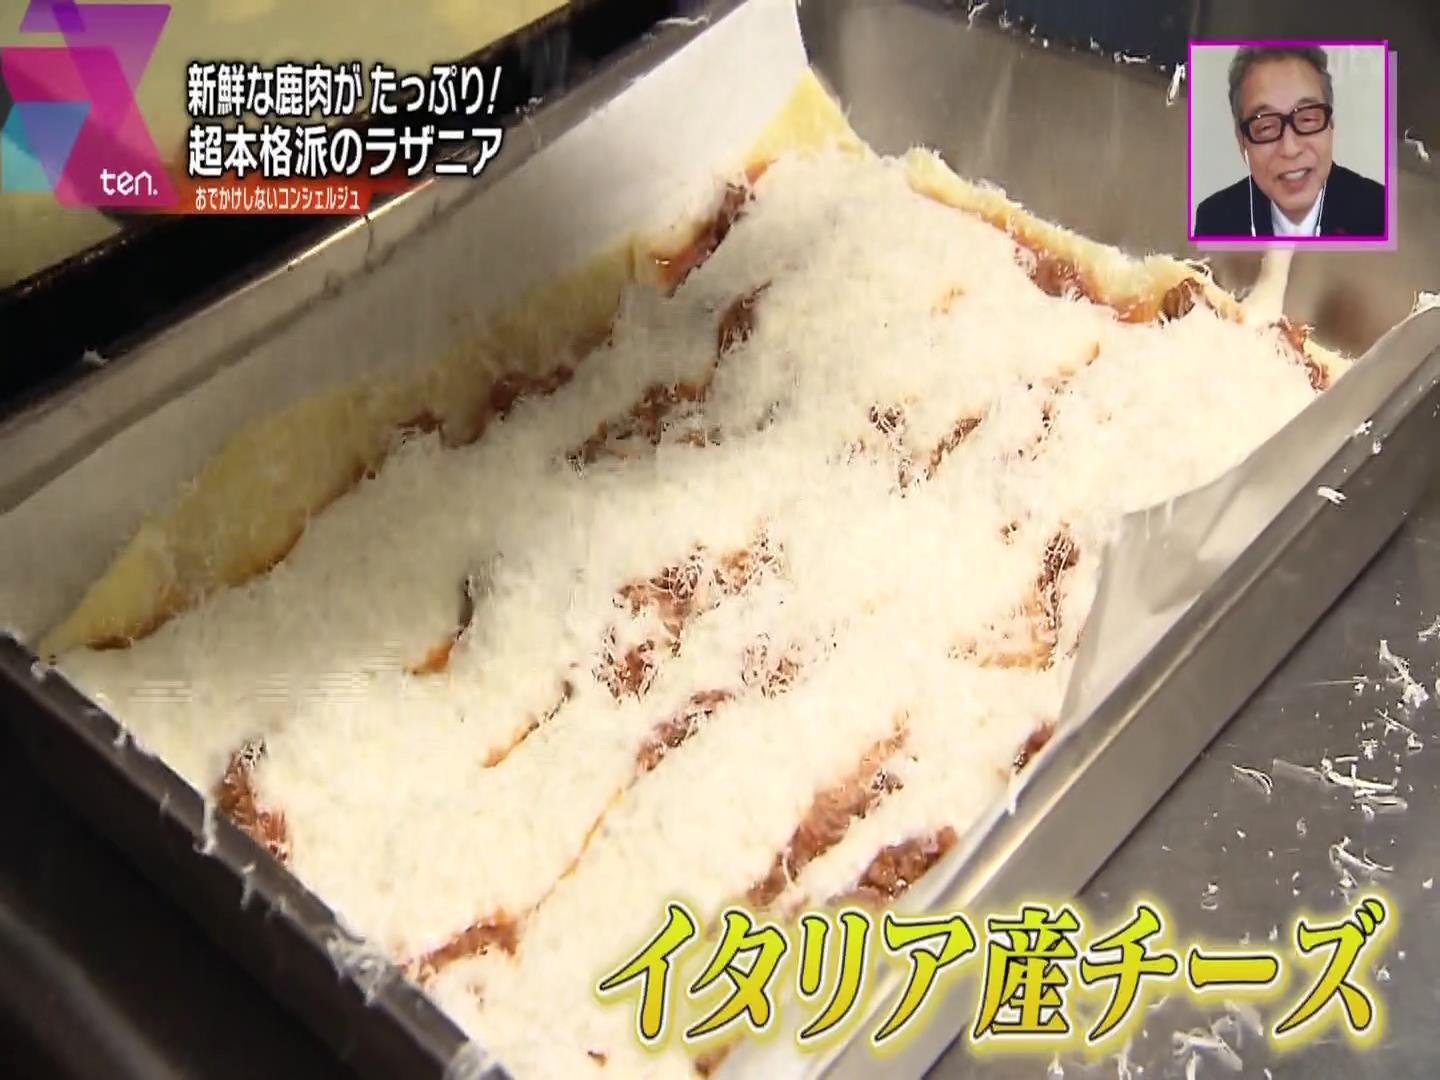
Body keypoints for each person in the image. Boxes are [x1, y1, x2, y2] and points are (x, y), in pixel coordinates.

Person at [1194, 45, 1385, 238]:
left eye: (1307, 119)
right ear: (1241, 140)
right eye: (1266, 127)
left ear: (1330, 124)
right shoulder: (1215, 220)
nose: (1290, 149)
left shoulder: (1380, 211)